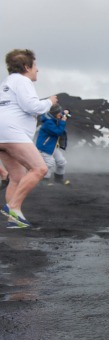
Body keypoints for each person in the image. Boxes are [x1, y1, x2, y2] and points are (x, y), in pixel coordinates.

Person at [0, 49, 57, 228]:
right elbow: (32, 106)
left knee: (17, 176)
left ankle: (14, 220)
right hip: (12, 133)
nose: (37, 70)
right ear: (26, 66)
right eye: (35, 66)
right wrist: (50, 102)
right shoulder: (23, 80)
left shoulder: (6, 82)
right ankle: (13, 207)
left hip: (3, 133)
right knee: (40, 168)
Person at [35, 104, 71, 185]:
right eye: (59, 113)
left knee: (61, 162)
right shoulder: (48, 122)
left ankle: (59, 179)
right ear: (55, 113)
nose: (60, 114)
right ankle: (44, 181)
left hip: (52, 146)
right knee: (49, 163)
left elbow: (68, 115)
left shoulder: (54, 116)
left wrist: (67, 112)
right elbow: (58, 132)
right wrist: (62, 122)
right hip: (45, 146)